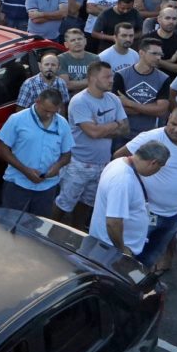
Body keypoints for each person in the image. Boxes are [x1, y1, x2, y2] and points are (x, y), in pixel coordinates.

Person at [117, 107, 177, 271]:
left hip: (175, 215)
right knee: (128, 256)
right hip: (144, 213)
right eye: (173, 123)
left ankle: (140, 282)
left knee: (151, 256)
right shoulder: (150, 137)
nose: (176, 129)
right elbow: (119, 158)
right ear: (168, 118)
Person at [55, 61, 129, 229]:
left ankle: (77, 234)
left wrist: (102, 128)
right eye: (107, 76)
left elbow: (126, 129)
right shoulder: (80, 101)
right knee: (64, 204)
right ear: (93, 78)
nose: (112, 80)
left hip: (102, 164)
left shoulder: (113, 99)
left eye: (112, 76)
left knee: (88, 204)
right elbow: (92, 133)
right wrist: (113, 125)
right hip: (78, 164)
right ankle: (47, 234)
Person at [0, 88, 74, 215]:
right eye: (46, 110)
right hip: (18, 184)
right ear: (37, 101)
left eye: (54, 112)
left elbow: (67, 155)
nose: (49, 115)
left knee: (37, 229)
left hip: (47, 188)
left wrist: (57, 166)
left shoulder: (62, 123)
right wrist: (25, 170)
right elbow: (3, 150)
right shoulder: (17, 119)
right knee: (10, 225)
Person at [87, 140, 170, 258]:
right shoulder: (123, 180)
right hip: (110, 249)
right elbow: (113, 222)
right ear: (153, 163)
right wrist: (122, 250)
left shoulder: (120, 162)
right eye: (159, 167)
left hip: (107, 245)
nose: (158, 171)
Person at [114, 37, 170, 137]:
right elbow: (117, 108)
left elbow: (161, 110)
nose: (158, 58)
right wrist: (151, 108)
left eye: (160, 54)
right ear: (141, 53)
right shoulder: (121, 75)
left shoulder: (164, 78)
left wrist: (130, 103)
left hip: (149, 135)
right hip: (122, 134)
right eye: (154, 53)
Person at [57, 28, 98, 94]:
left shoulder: (95, 58)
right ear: (66, 45)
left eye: (79, 39)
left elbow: (97, 82)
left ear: (85, 41)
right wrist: (89, 81)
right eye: (73, 40)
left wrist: (73, 84)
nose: (77, 42)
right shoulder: (60, 59)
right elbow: (66, 85)